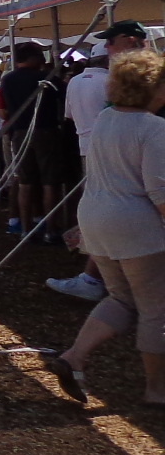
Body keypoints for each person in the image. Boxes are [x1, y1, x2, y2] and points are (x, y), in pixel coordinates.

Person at [45, 49, 165, 407]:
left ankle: (75, 356)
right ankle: (156, 390)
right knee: (156, 309)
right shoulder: (153, 129)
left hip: (95, 219)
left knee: (121, 298)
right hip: (135, 225)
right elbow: (159, 190)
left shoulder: (103, 121)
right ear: (154, 88)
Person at [0, 42, 68, 242]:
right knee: (49, 182)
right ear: (32, 58)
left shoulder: (8, 80)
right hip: (45, 131)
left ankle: (25, 229)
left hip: (19, 131)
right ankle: (50, 229)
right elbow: (63, 96)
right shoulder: (45, 78)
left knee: (25, 182)